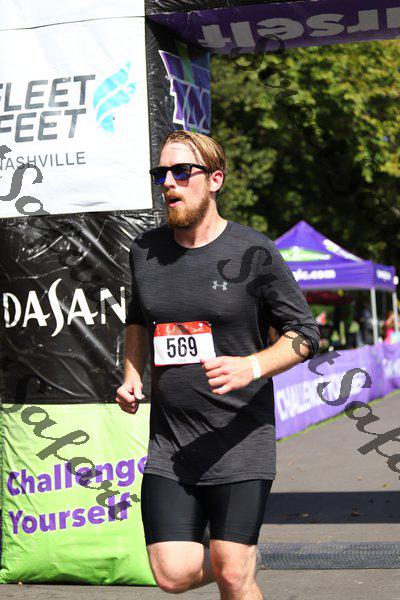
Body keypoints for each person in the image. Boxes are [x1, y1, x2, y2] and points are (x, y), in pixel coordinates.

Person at [116, 130, 320, 599]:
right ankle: (239, 562)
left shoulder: (253, 252)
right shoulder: (145, 251)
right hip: (171, 444)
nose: (169, 183)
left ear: (215, 180)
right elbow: (137, 319)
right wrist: (131, 374)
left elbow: (304, 335)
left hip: (239, 440)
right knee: (172, 575)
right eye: (161, 173)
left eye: (181, 171)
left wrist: (252, 366)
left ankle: (237, 566)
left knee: (231, 574)